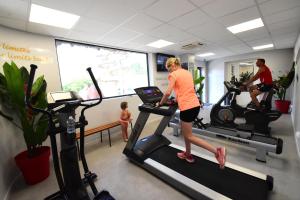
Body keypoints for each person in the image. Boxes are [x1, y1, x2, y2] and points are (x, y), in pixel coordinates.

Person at [158, 57, 226, 169]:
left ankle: (217, 151)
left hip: (187, 108)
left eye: (169, 68)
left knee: (189, 136)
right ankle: (188, 154)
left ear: (173, 65)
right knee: (186, 134)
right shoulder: (187, 73)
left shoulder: (173, 74)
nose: (169, 71)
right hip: (195, 105)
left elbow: (167, 93)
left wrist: (160, 103)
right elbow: (187, 90)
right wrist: (177, 99)